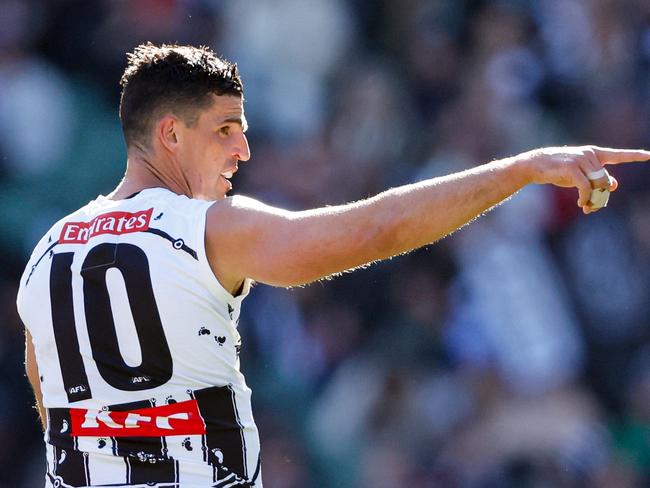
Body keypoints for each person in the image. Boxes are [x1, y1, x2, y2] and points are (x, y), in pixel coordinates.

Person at [16, 42, 650, 488]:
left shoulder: (45, 255)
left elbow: (55, 412)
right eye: (225, 129)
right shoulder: (204, 226)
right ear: (171, 136)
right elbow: (375, 230)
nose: (242, 149)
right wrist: (521, 169)